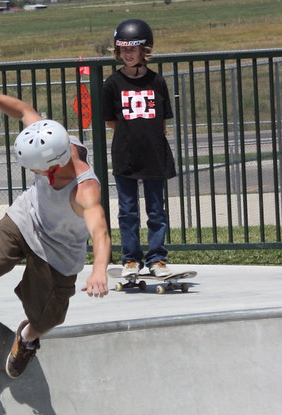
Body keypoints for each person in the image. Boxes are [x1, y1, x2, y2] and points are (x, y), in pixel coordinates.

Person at [0, 78, 111, 379]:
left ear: (54, 166)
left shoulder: (84, 191)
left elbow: (100, 231)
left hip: (59, 251)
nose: (32, 172)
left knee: (49, 317)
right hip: (26, 218)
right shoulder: (50, 137)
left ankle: (27, 338)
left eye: (35, 168)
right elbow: (23, 110)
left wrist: (99, 270)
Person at [102, 18, 177, 279]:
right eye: (123, 49)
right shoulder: (112, 83)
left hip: (154, 154)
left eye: (132, 49)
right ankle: (131, 258)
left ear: (145, 51)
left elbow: (163, 121)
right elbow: (111, 121)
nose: (128, 54)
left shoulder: (157, 82)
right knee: (128, 211)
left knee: (157, 210)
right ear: (117, 51)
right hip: (126, 154)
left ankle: (157, 258)